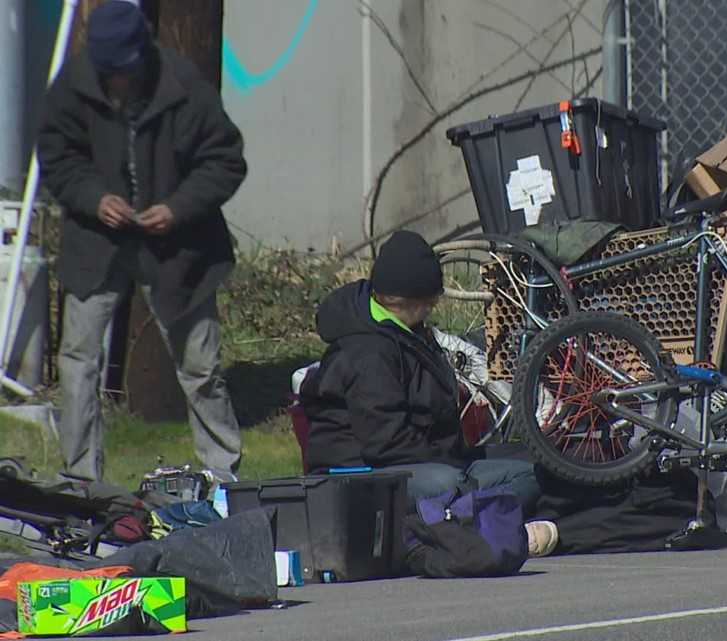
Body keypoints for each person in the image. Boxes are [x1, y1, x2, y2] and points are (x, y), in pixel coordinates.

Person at [37, 1, 245, 482]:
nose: (116, 82)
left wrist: (178, 206)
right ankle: (80, 480)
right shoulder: (73, 84)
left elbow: (225, 161)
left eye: (124, 72)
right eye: (107, 72)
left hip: (179, 248)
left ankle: (223, 476)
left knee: (200, 365)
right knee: (78, 361)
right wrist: (93, 197)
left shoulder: (184, 88)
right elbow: (56, 156)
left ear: (142, 54)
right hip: (96, 241)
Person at [299, 230, 557, 556]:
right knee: (447, 485)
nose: (435, 306)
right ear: (417, 302)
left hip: (427, 460)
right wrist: (453, 465)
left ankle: (473, 522)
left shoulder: (409, 333)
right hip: (364, 475)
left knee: (530, 469)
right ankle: (469, 527)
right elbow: (386, 443)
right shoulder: (370, 355)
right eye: (432, 301)